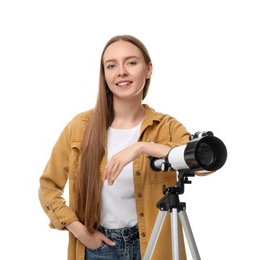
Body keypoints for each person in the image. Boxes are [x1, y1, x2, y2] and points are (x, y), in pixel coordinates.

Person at [39, 34, 193, 260]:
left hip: (153, 243)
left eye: (131, 62)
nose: (121, 71)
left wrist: (142, 147)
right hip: (97, 248)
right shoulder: (79, 128)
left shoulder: (166, 127)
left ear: (148, 69)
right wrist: (80, 231)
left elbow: (202, 163)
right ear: (104, 75)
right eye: (111, 66)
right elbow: (48, 187)